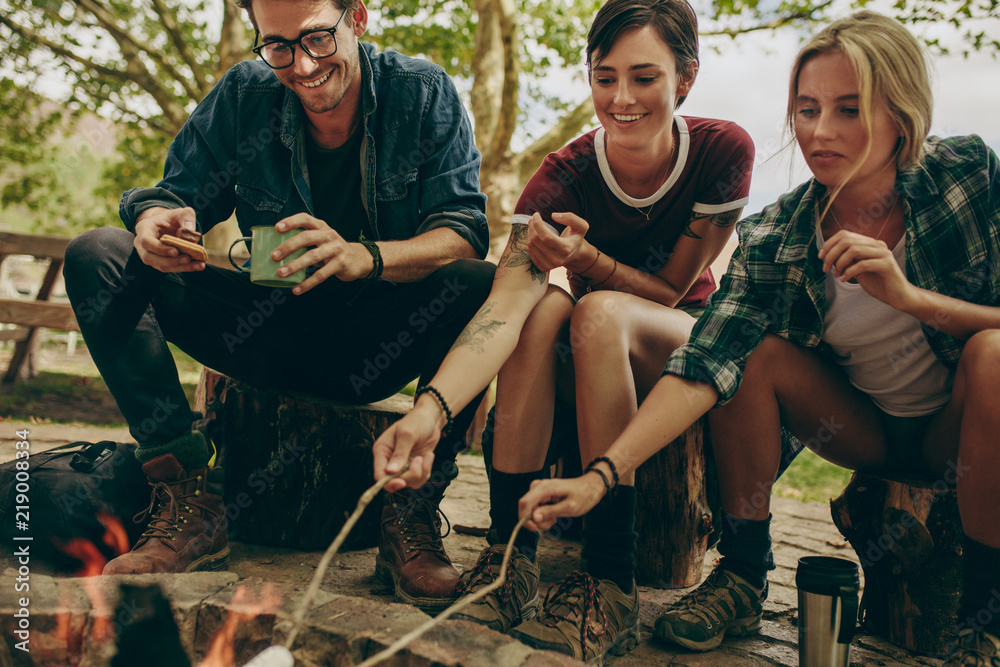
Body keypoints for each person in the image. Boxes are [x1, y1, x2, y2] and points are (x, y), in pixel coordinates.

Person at [511, 10, 1000, 665]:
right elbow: (705, 359)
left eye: (848, 110)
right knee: (751, 352)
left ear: (901, 114)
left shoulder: (965, 176)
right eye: (807, 109)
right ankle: (742, 573)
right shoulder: (778, 236)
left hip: (959, 423)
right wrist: (601, 476)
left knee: (994, 354)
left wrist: (911, 299)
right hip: (864, 431)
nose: (820, 132)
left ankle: (983, 624)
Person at [62, 0, 495, 612]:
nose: (303, 64)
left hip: (375, 344)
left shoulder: (422, 92)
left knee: (481, 283)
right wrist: (161, 221)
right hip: (260, 330)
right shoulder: (245, 92)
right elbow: (172, 192)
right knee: (97, 253)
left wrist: (362, 256)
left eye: (318, 38)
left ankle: (412, 514)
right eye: (280, 46)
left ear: (358, 19)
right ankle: (185, 495)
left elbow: (463, 228)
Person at [372, 0, 753, 659]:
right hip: (589, 349)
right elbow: (501, 311)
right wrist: (433, 409)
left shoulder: (722, 150)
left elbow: (672, 287)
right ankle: (508, 552)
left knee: (593, 308)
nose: (621, 98)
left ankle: (611, 578)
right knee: (546, 306)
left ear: (685, 78)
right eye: (604, 77)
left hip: (681, 340)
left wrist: (591, 263)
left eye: (644, 77)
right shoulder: (561, 175)